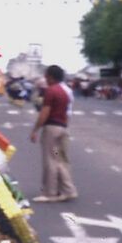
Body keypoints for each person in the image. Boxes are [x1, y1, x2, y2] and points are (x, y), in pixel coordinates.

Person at [29, 64, 78, 202]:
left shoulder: (51, 91)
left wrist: (35, 130)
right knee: (58, 158)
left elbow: (45, 112)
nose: (45, 78)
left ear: (51, 77)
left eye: (46, 76)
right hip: (62, 129)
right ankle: (69, 190)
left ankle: (50, 193)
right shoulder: (65, 92)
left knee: (51, 160)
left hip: (51, 130)